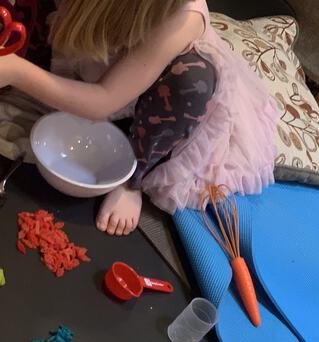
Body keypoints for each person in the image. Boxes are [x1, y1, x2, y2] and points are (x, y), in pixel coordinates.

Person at [0, 0, 278, 235]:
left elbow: (105, 98)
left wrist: (19, 72)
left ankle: (133, 176)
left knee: (193, 80)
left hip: (152, 101)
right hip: (89, 61)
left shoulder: (183, 17)